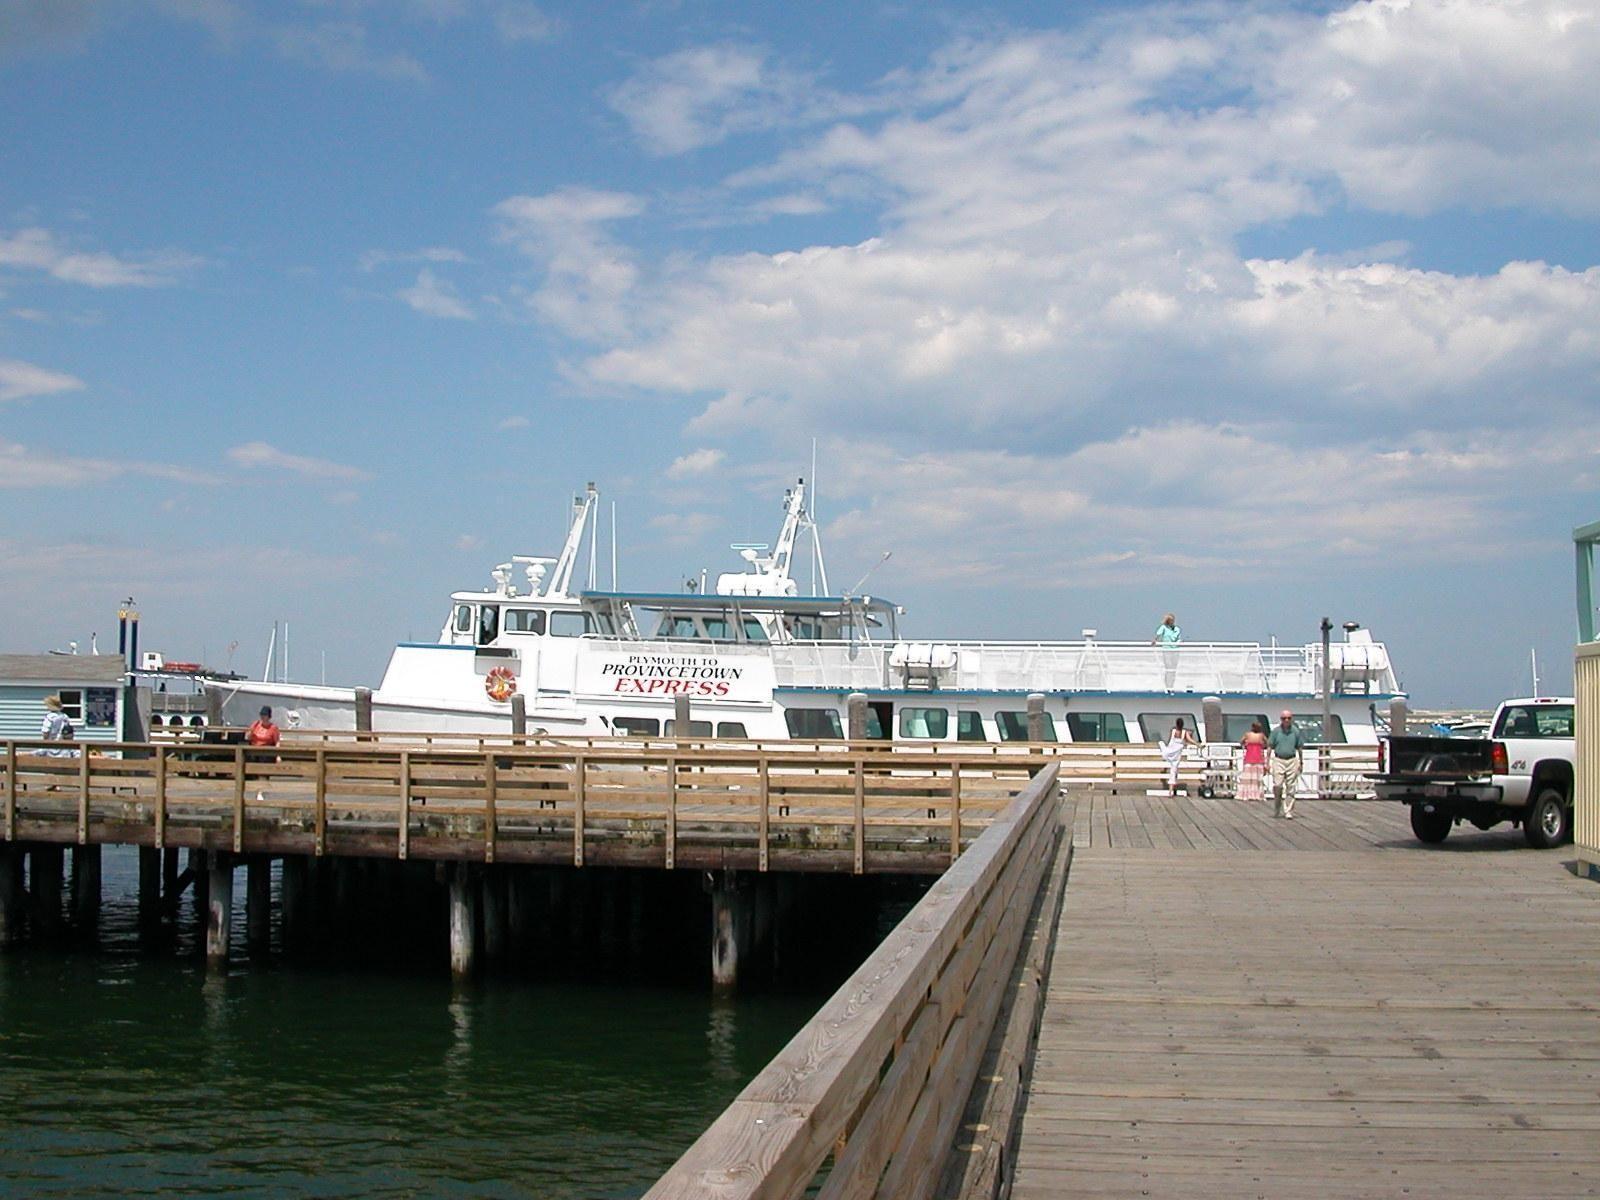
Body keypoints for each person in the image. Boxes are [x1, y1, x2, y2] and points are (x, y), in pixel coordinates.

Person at [1266, 709, 1310, 818]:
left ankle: (1288, 810)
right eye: (1284, 718)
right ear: (1281, 719)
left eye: (1289, 718)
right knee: (1278, 785)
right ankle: (1277, 807)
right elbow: (1270, 747)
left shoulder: (1295, 731)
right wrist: (1266, 762)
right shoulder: (1276, 731)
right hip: (1278, 759)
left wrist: (1301, 762)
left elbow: (1299, 747)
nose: (1286, 720)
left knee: (1291, 786)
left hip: (1292, 760)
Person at [1160, 716, 1198, 796]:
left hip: (1170, 751)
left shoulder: (1173, 731)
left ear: (1176, 724)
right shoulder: (1185, 732)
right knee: (1173, 770)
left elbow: (1170, 741)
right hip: (1177, 754)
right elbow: (1189, 740)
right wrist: (1198, 745)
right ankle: (1171, 791)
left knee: (1161, 744)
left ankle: (1171, 790)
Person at [1237, 721, 1268, 802]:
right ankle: (1256, 794)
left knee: (1248, 778)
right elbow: (1267, 743)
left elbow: (1241, 742)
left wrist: (1246, 744)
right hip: (1258, 758)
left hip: (1249, 758)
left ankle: (1246, 794)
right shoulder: (1261, 736)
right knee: (1257, 778)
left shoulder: (1247, 735)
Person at [1151, 613, 1182, 690]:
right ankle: (1167, 686)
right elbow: (1158, 635)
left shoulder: (1177, 629)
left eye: (1172, 620)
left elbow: (1179, 639)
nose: (1171, 621)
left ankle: (1172, 685)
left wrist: (1179, 643)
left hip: (1175, 650)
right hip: (1166, 650)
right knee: (1168, 667)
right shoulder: (1163, 628)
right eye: (1170, 620)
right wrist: (1154, 640)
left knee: (1173, 669)